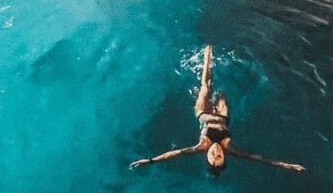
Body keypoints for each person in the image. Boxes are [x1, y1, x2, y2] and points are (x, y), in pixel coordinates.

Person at [130, 45, 306, 174]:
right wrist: (287, 165)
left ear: (207, 157)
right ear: (224, 157)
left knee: (206, 86)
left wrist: (150, 161)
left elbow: (175, 153)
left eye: (212, 156)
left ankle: (207, 57)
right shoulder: (230, 149)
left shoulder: (201, 147)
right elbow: (257, 158)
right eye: (219, 157)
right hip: (223, 117)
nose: (216, 152)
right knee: (221, 93)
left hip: (203, 113)